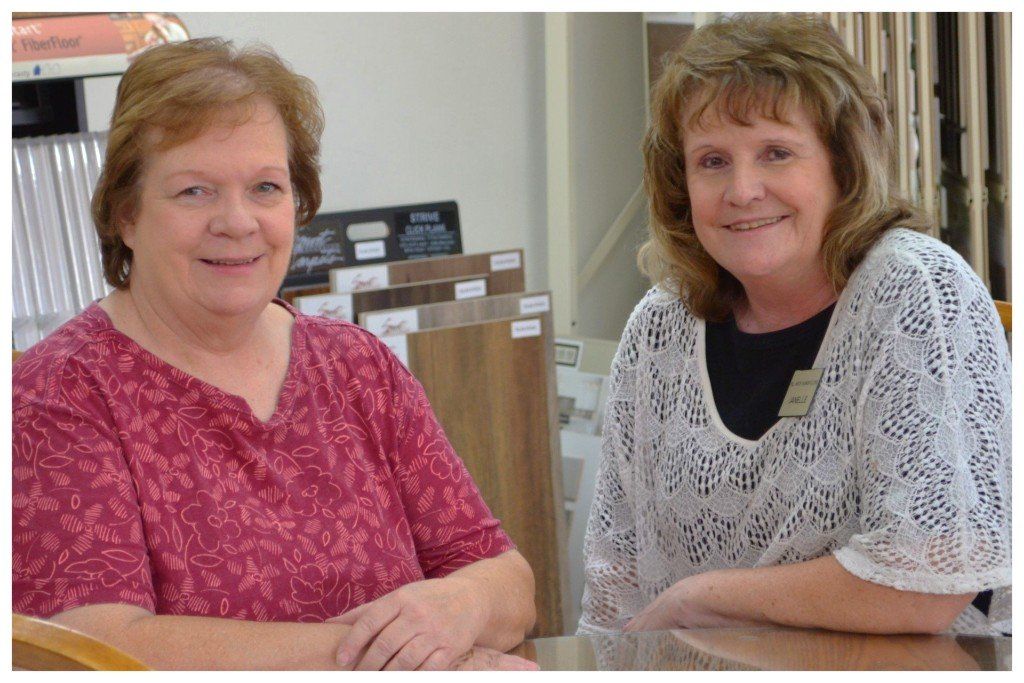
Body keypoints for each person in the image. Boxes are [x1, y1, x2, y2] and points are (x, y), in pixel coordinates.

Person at [12, 38, 537, 671]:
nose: (238, 222)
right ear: (125, 213)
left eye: (265, 187)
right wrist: (409, 659)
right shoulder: (58, 394)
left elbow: (507, 580)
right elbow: (94, 647)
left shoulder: (357, 366)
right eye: (194, 192)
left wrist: (464, 606)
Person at [579, 13, 1010, 638]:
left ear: (842, 164)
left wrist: (700, 600)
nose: (742, 189)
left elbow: (928, 577)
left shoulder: (916, 293)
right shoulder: (657, 329)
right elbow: (612, 585)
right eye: (712, 160)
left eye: (776, 153)